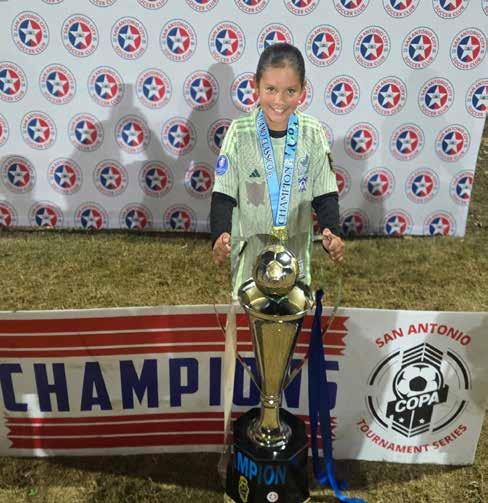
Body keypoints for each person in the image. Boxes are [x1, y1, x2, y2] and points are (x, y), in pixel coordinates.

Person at [210, 43, 344, 299]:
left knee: (292, 315)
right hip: (251, 256)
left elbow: (325, 194)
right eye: (271, 89)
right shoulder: (239, 133)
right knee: (252, 313)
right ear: (256, 86)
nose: (279, 101)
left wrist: (332, 233)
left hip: (295, 257)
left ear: (302, 91)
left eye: (290, 91)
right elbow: (223, 195)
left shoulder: (312, 132)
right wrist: (220, 236)